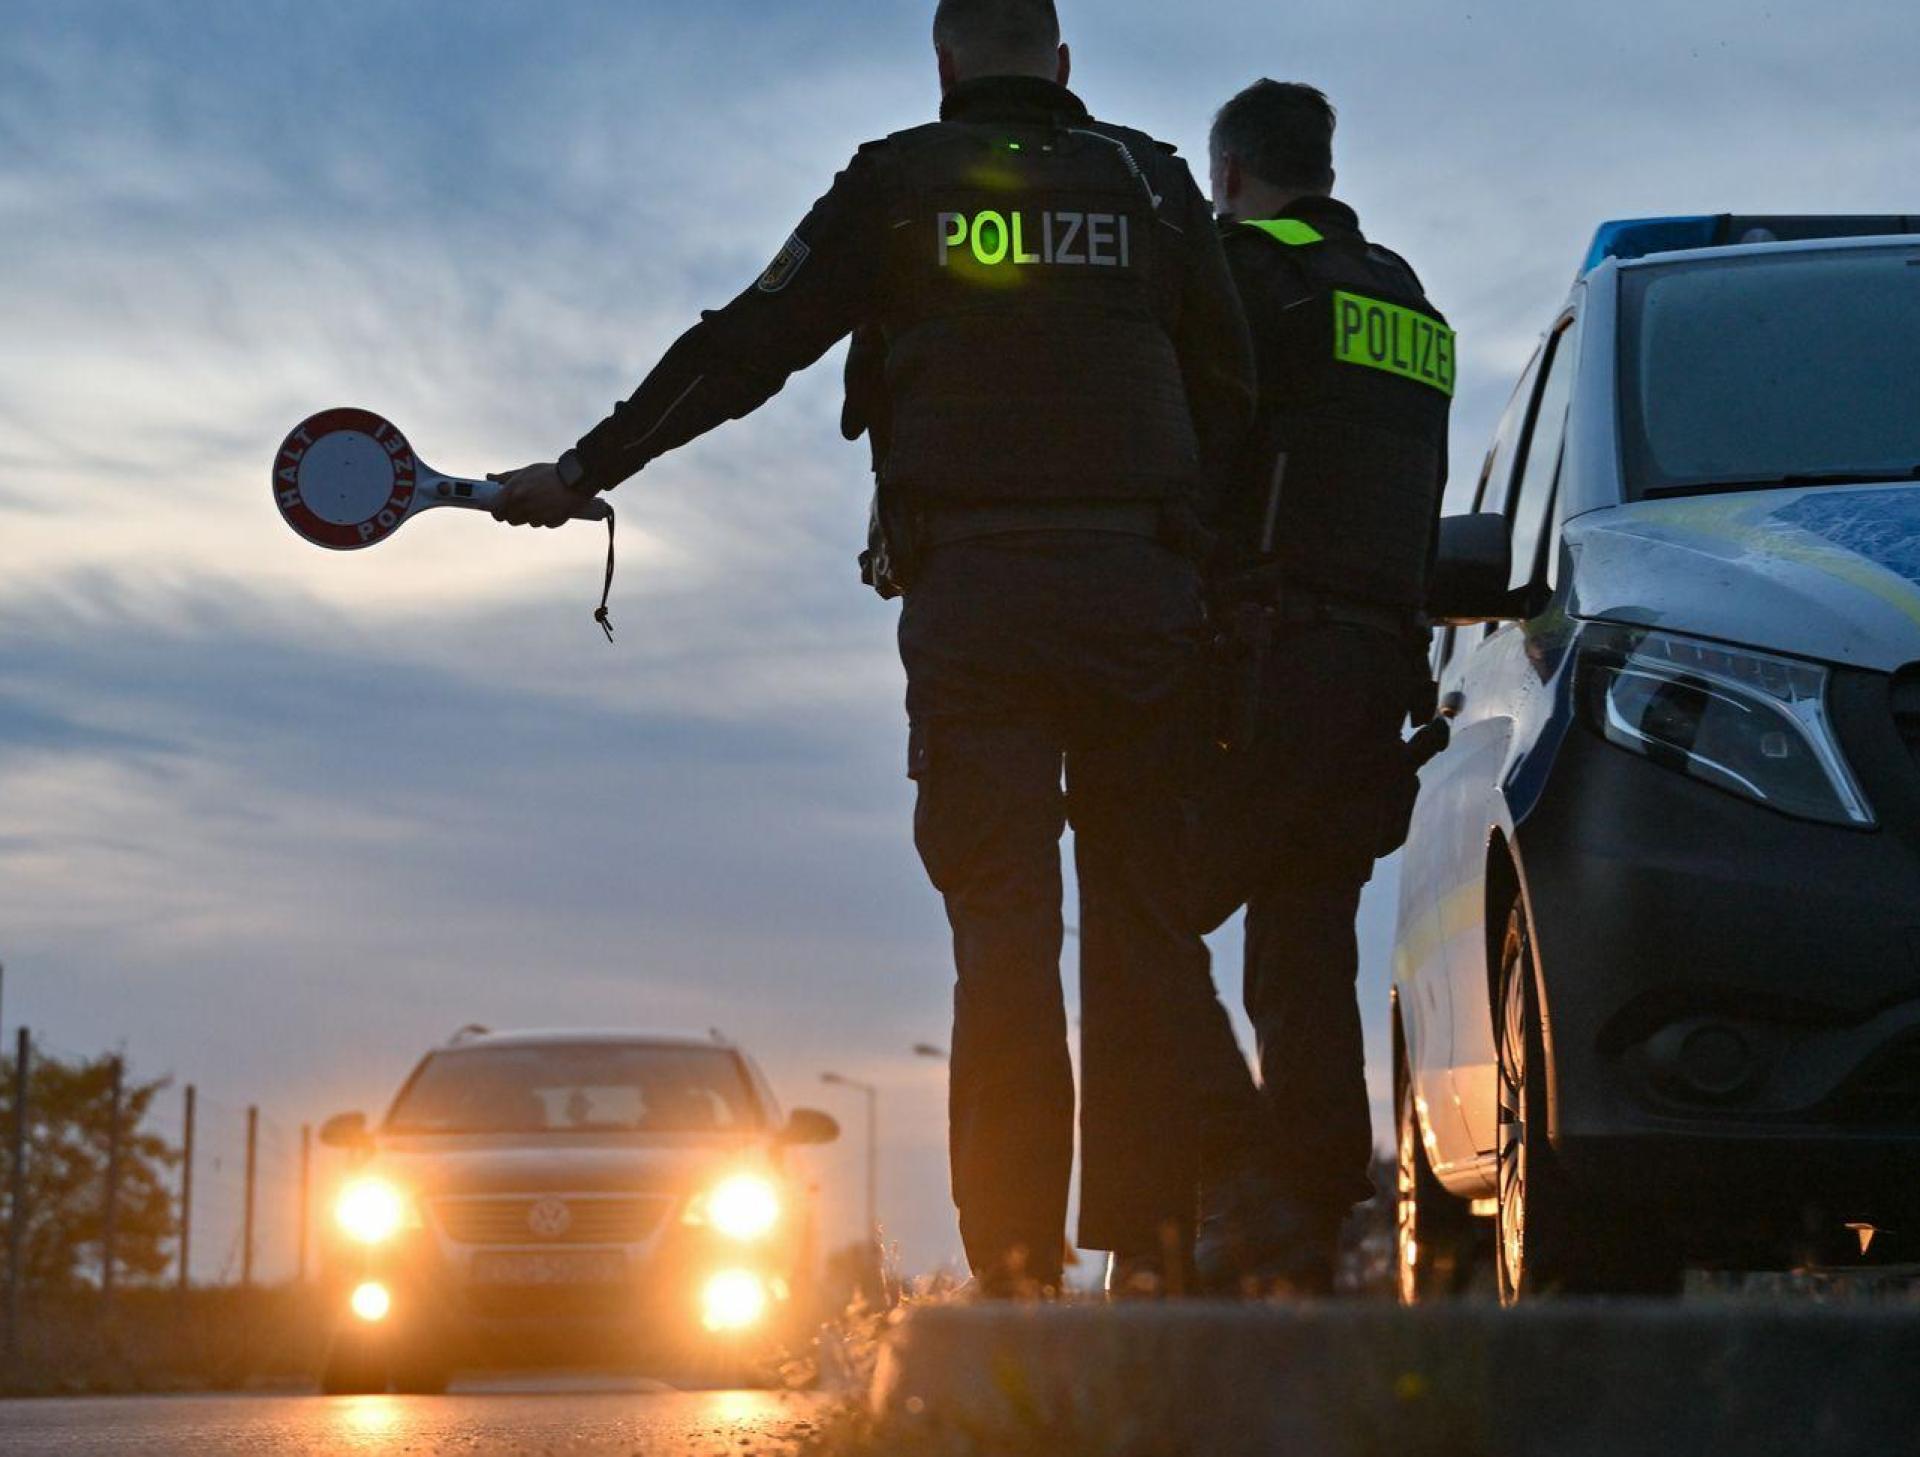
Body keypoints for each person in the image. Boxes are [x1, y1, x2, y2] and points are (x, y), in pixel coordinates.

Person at [489, 0, 1271, 1296]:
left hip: (977, 605)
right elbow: (1231, 388)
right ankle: (1154, 1261)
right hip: (1141, 597)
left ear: (946, 63)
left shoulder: (898, 183)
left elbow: (746, 345)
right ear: (1061, 64)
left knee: (1003, 935)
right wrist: (1192, 558)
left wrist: (587, 467)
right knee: (1143, 929)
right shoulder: (1149, 183)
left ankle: (1014, 1273)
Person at [1190, 80, 1455, 1291]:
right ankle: (1306, 1222)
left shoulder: (1248, 277)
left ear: (1231, 174)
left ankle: (1238, 1185)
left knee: (1150, 918)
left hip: (1263, 661)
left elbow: (1204, 461)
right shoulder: (1407, 297)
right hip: (1374, 677)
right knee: (1306, 954)